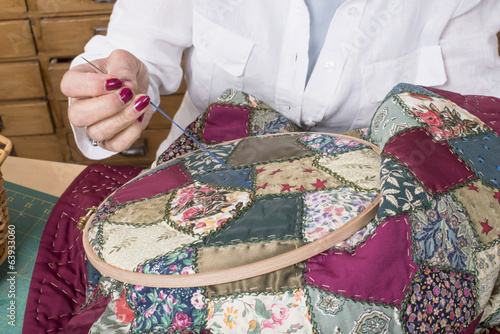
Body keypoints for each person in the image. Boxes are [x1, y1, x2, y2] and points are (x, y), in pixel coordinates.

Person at [60, 0, 500, 160]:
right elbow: (135, 55)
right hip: (198, 190)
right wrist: (107, 97)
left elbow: (470, 128)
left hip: (370, 217)